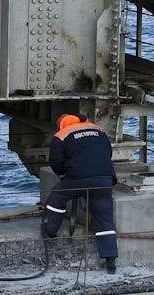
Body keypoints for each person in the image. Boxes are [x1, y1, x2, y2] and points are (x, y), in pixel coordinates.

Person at [43, 113, 119, 274]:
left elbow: (56, 163)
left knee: (58, 195)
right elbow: (108, 153)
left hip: (79, 179)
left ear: (61, 123)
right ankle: (110, 260)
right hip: (104, 180)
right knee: (104, 218)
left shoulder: (61, 135)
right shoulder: (98, 130)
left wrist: (65, 175)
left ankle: (50, 230)